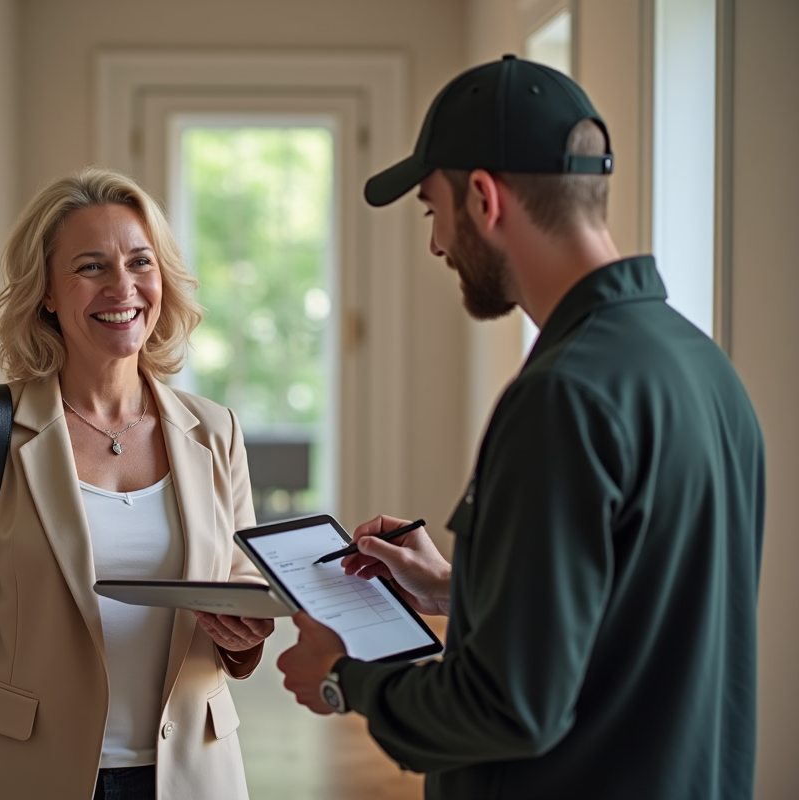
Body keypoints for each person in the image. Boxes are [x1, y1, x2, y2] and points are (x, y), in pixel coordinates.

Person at [277, 55, 765, 800]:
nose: (436, 245)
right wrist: (460, 589)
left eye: (432, 210)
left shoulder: (563, 397)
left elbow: (509, 708)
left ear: (483, 197)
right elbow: (636, 611)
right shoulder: (701, 366)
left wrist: (345, 679)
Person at [0, 167, 274, 800]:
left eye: (140, 262)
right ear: (45, 292)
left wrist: (245, 630)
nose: (123, 287)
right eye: (91, 267)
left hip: (191, 774)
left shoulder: (215, 431)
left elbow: (240, 580)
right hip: (20, 774)